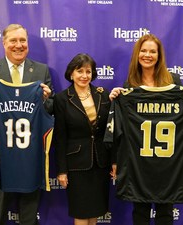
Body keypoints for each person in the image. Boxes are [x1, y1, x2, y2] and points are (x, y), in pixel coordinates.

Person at [108, 33, 183, 225]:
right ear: (137, 54)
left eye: (153, 51)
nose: (147, 55)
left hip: (168, 163)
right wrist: (116, 100)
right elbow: (122, 129)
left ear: (159, 56)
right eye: (143, 51)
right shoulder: (131, 85)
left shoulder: (173, 80)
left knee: (165, 212)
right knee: (140, 211)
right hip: (139, 163)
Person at [0, 24, 54, 225]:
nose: (19, 45)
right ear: (4, 43)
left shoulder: (41, 71)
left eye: (23, 40)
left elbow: (51, 110)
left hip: (30, 155)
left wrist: (46, 100)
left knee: (29, 215)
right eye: (13, 41)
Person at [53, 53, 113, 225]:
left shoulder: (103, 95)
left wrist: (114, 161)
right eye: (80, 71)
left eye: (88, 71)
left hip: (100, 162)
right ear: (71, 73)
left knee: (95, 210)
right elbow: (60, 136)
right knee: (81, 211)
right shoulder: (62, 99)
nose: (84, 76)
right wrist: (62, 170)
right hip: (76, 165)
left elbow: (110, 131)